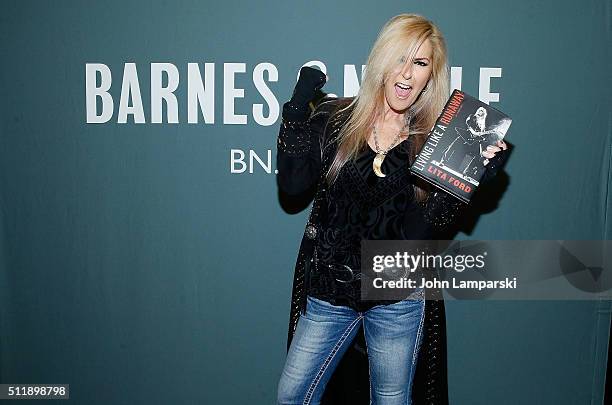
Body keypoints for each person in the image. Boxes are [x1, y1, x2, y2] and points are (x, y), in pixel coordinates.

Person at [275, 14, 508, 405]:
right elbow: (293, 185)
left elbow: (421, 236)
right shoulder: (338, 119)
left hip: (397, 299)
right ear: (381, 62)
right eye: (400, 58)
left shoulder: (438, 141)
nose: (406, 74)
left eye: (420, 64)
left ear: (431, 75)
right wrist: (298, 109)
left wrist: (465, 176)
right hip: (331, 291)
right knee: (291, 397)